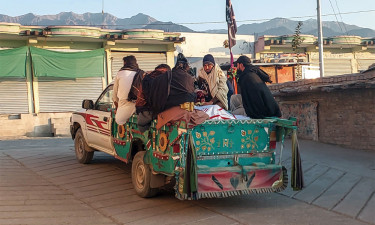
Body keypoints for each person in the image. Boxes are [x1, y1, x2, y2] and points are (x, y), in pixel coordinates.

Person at [136, 64, 171, 132]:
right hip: (165, 111)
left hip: (147, 112)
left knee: (141, 126)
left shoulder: (147, 77)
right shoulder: (171, 78)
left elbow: (140, 100)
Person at [112, 55, 144, 124]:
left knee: (119, 121)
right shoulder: (141, 74)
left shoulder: (120, 73)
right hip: (140, 107)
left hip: (124, 105)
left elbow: (114, 96)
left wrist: (117, 108)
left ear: (125, 63)